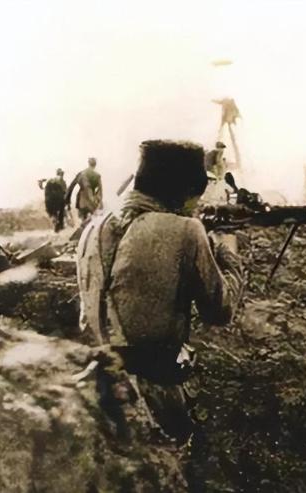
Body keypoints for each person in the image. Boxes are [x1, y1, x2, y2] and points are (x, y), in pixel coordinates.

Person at [76, 140, 241, 445]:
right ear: (182, 190)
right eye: (194, 198)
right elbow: (220, 310)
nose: (196, 206)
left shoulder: (93, 227)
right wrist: (227, 252)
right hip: (152, 392)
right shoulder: (187, 230)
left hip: (99, 379)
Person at [38, 168, 67, 232]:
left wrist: (41, 187)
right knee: (60, 212)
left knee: (53, 213)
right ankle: (59, 225)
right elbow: (65, 192)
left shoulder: (50, 179)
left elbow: (40, 182)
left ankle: (56, 223)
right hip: (58, 199)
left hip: (49, 199)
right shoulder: (62, 181)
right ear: (62, 174)